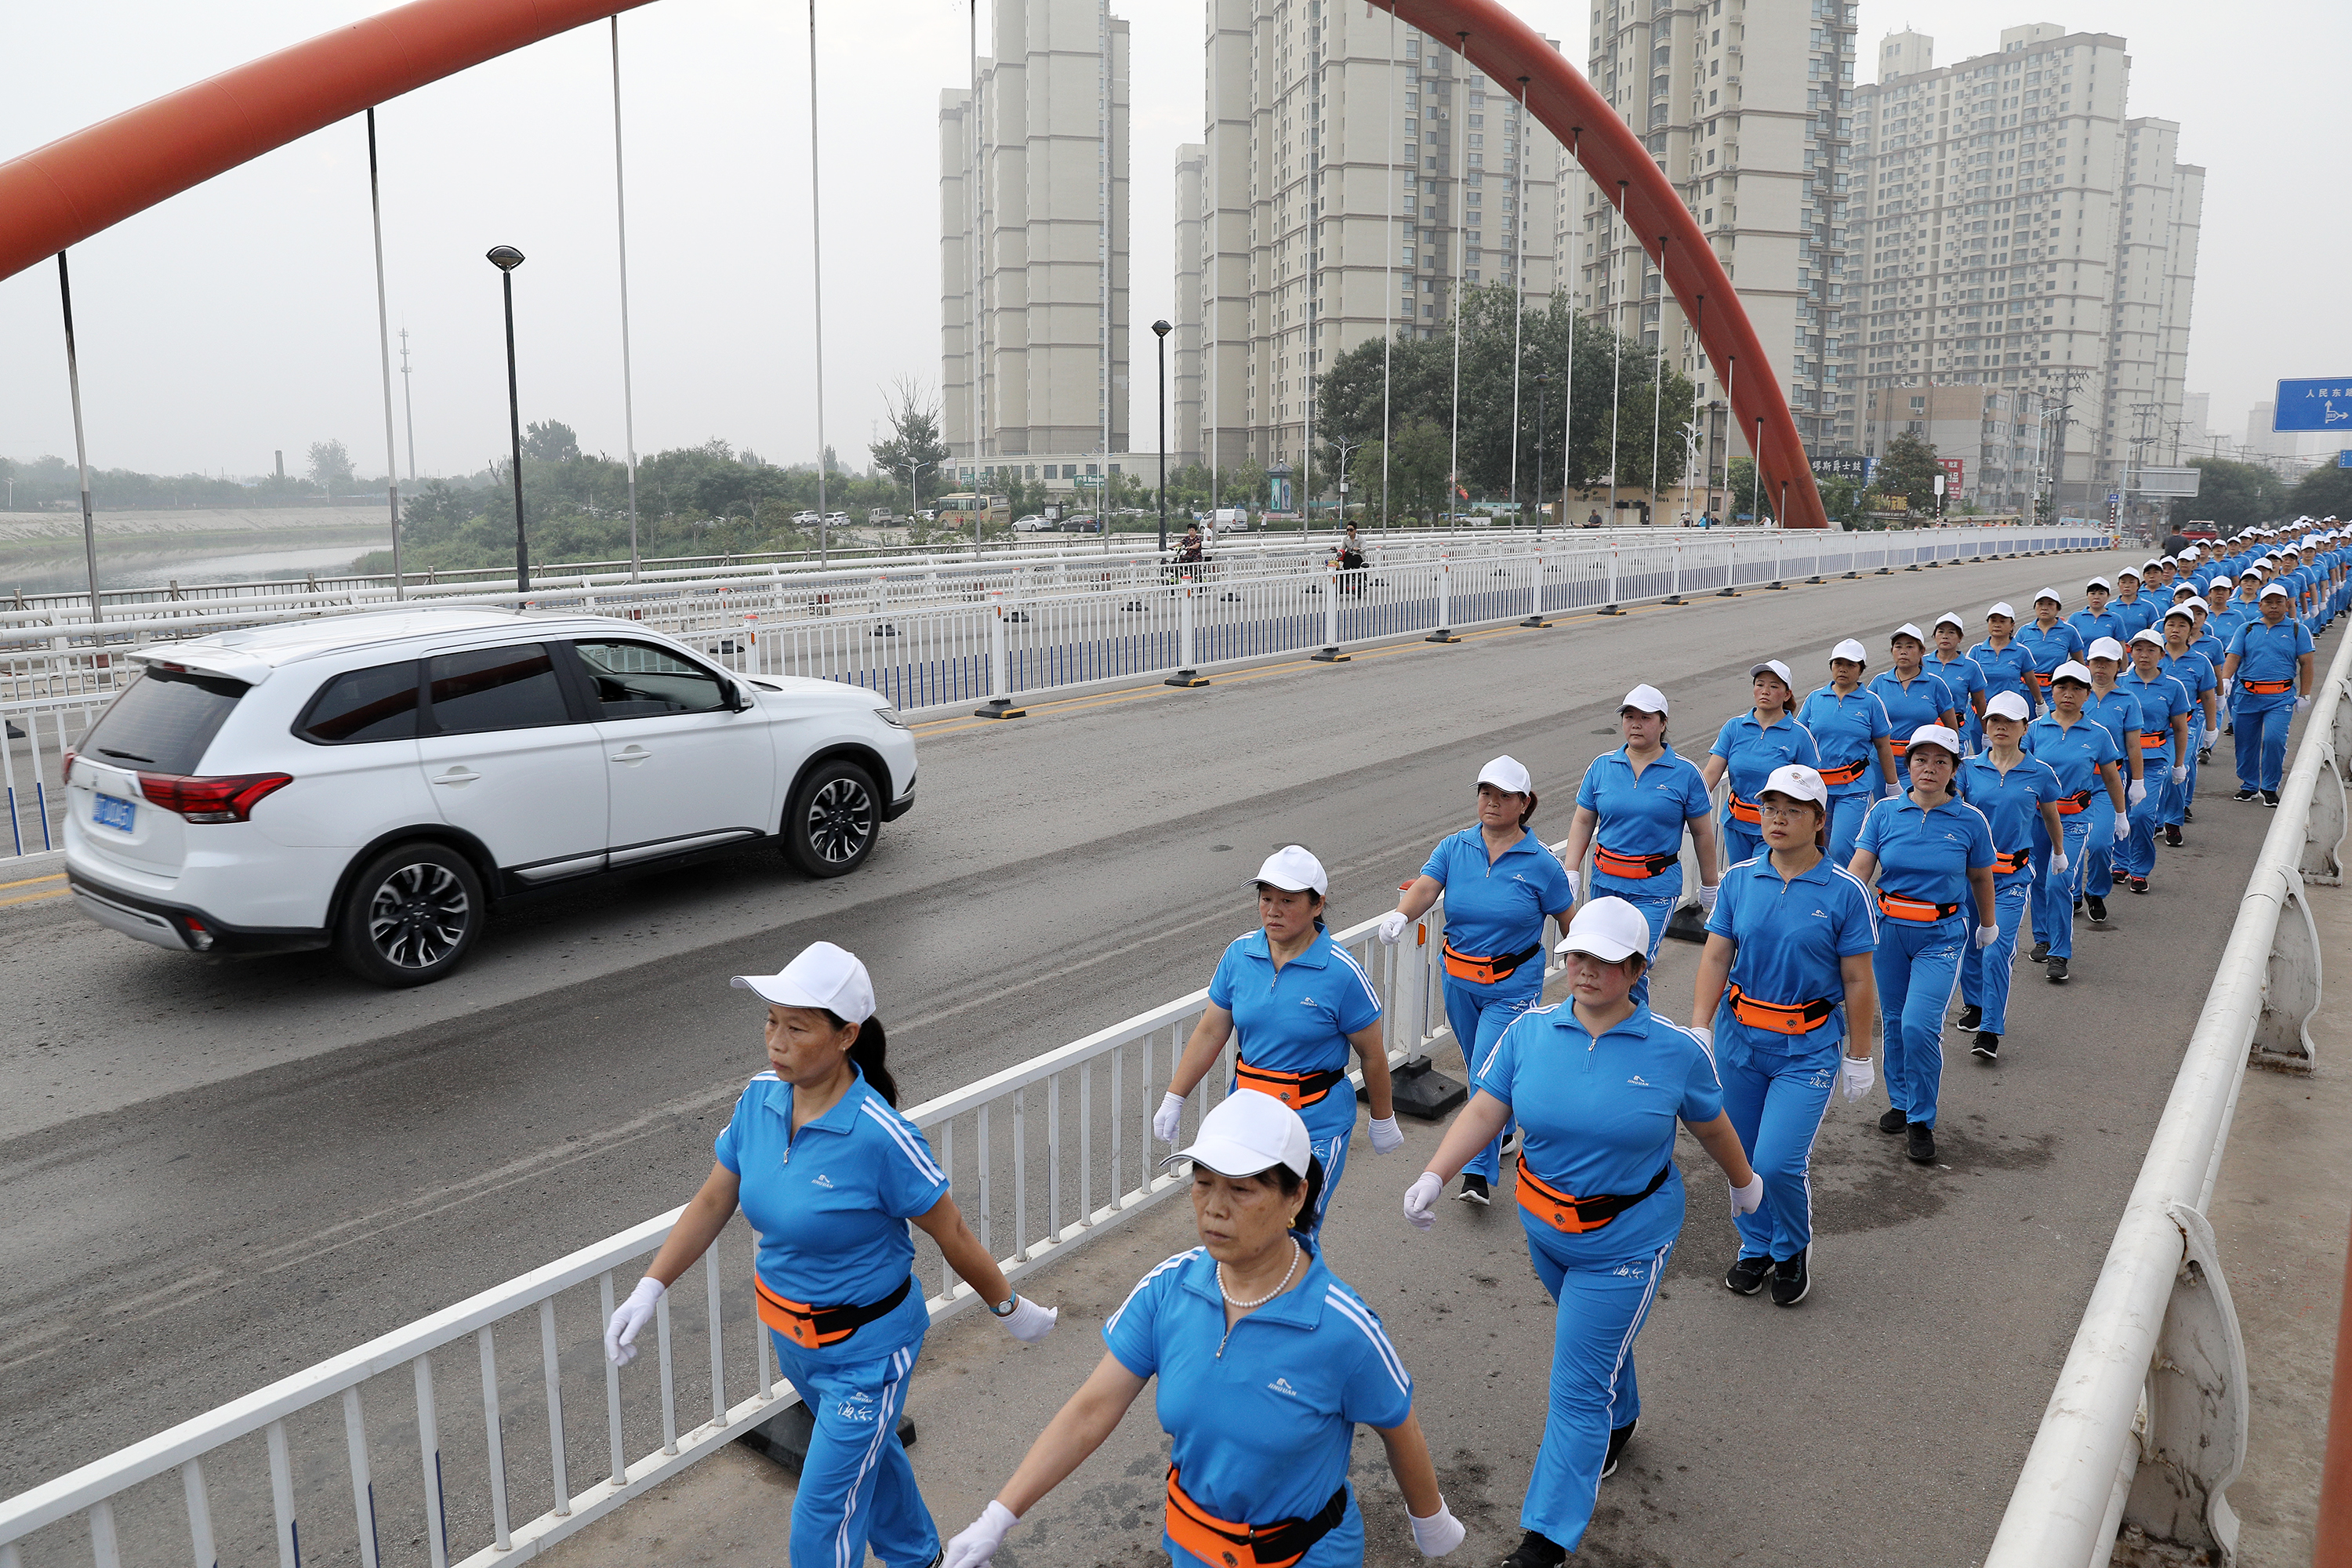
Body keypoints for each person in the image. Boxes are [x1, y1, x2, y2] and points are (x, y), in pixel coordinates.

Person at [604, 942, 1058, 1568]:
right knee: (871, 1458)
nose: (776, 1041)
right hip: (794, 1341)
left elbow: (951, 1232)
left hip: (868, 1354)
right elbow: (713, 1200)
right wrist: (650, 1286)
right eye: (771, 1022)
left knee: (823, 1517)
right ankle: (920, 1558)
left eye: (797, 1028)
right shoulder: (759, 1099)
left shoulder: (881, 1136)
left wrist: (1009, 1307)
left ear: (847, 1036)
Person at [942, 1091, 1462, 1568]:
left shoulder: (1343, 1327)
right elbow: (1091, 1410)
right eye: (1203, 1182)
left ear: (1296, 1197)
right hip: (1192, 1549)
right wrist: (999, 1516)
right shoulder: (1168, 1288)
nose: (1214, 1207)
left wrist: (1431, 1521)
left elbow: (1399, 1426)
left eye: (1241, 1189)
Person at [1401, 898, 1762, 1568]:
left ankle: (1546, 1539)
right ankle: (1622, 1416)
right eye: (1577, 956)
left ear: (1638, 969)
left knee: (1576, 1386)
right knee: (1593, 1346)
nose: (1586, 970)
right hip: (1546, 1230)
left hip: (1627, 1241)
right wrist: (1435, 1173)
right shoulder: (1528, 1033)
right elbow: (1486, 1110)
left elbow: (1712, 1126)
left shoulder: (1675, 1052)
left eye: (1605, 960)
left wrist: (1744, 1183)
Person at [1687, 764, 1878, 1304]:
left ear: (1819, 821)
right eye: (1770, 808)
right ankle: (1756, 1245)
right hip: (1740, 1041)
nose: (1777, 818)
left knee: (1776, 1162)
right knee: (1741, 1158)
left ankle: (1792, 1245)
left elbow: (1858, 979)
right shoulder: (1741, 879)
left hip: (1807, 1047)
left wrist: (1860, 1055)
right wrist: (1700, 1025)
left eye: (1793, 810)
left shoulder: (1845, 892)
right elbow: (1717, 956)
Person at [1160, 848, 1400, 1232]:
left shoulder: (1342, 972)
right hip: (1249, 1119)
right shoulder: (1239, 955)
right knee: (1243, 1228)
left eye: (1287, 901)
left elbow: (1371, 1054)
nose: (1273, 911)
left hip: (1314, 1126)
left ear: (1317, 905)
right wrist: (1175, 1097)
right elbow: (1211, 1030)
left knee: (1293, 1233)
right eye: (1266, 898)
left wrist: (1382, 1118)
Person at [1381, 757, 1577, 1206]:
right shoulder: (1455, 846)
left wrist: (1585, 976)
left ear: (1524, 803)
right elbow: (1426, 887)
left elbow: (1570, 921)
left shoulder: (1541, 863)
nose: (1492, 801)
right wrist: (1401, 915)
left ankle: (1475, 1172)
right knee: (1481, 1067)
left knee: (1485, 1075)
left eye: (1504, 795)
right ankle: (1502, 1128)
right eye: (1485, 792)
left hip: (1512, 988)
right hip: (1459, 980)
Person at [1844, 725, 1998, 1164]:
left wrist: (1988, 925)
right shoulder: (1884, 812)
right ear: (1908, 764)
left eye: (1940, 761)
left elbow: (1980, 876)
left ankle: (1922, 1119)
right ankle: (1901, 1101)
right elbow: (1860, 870)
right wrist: (1836, 916)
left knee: (1918, 1025)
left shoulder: (1970, 820)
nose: (1929, 769)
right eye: (1920, 760)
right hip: (1889, 931)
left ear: (1954, 770)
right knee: (1894, 1020)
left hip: (1942, 934)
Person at [1557, 685, 1720, 1004]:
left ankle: (1633, 1027)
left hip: (1654, 889)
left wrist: (1710, 885)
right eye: (1629, 716)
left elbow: (1702, 833)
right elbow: (1583, 821)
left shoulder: (1686, 773)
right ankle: (1602, 1023)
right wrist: (1571, 869)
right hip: (1606, 883)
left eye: (1645, 718)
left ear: (1663, 723)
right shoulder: (1602, 766)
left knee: (1633, 966)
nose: (1635, 724)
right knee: (1601, 960)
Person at [1954, 695, 2066, 1059]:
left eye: (2010, 721)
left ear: (2024, 728)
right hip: (1970, 875)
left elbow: (2050, 816)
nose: (2001, 727)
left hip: (2011, 877)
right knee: (1970, 942)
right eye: (1994, 720)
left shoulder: (2040, 772)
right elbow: (1955, 814)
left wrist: (2059, 852)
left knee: (1997, 948)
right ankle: (1975, 1004)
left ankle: (1990, 1031)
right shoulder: (1967, 769)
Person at [1700, 659, 1822, 867]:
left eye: (1774, 686)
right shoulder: (1734, 727)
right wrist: (1692, 808)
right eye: (1760, 684)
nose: (1765, 691)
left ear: (1787, 695)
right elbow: (1711, 774)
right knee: (1740, 875)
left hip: (1777, 827)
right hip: (1736, 824)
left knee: (1761, 875)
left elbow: (1811, 787)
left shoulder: (1800, 735)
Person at [1796, 639, 1900, 868]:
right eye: (1838, 663)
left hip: (1854, 787)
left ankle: (1844, 888)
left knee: (1841, 847)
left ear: (1860, 669)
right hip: (1817, 788)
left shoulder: (1871, 702)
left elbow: (1883, 747)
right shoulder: (1815, 699)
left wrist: (1892, 785)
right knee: (1816, 846)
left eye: (1850, 665)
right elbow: (1798, 739)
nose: (1843, 669)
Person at [2221, 581, 2319, 806]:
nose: (2274, 606)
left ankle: (2270, 786)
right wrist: (2226, 679)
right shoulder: (2247, 629)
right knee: (2246, 743)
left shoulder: (2297, 630)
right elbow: (2233, 657)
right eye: (2269, 602)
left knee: (2274, 739)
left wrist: (2305, 695)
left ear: (2287, 605)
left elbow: (2307, 664)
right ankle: (2249, 785)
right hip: (2247, 694)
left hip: (2280, 696)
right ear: (2260, 605)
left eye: (2278, 602)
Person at [2078, 638, 2151, 922]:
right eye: (2096, 662)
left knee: (2100, 843)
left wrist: (2137, 781)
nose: (2101, 668)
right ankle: (2072, 892)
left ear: (2118, 665)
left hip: (2107, 783)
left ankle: (2095, 892)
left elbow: (2133, 745)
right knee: (2072, 843)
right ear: (2088, 663)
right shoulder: (2076, 694)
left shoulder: (2127, 700)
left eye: (2107, 663)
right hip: (2073, 781)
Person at [2116, 630, 2191, 894]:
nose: (2144, 655)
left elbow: (2180, 728)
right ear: (2130, 652)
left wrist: (2178, 764)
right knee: (2120, 813)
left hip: (2154, 758)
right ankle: (2120, 863)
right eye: (2138, 649)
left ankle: (2139, 869)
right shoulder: (2119, 683)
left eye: (2151, 650)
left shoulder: (2173, 686)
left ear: (2162, 654)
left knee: (2142, 815)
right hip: (2120, 759)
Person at [1867, 624, 1962, 793]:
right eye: (1898, 647)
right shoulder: (1879, 683)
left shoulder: (1935, 684)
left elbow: (1951, 728)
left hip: (1919, 761)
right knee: (1884, 805)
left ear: (1921, 651)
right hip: (1881, 761)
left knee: (1912, 804)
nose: (1903, 652)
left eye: (1910, 647)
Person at [2158, 605, 2219, 842]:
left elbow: (2208, 696)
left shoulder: (2200, 661)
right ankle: (2156, 820)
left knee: (2175, 770)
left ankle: (2173, 820)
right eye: (2171, 625)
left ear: (2191, 629)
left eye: (2182, 625)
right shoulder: (2152, 655)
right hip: (2153, 727)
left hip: (2185, 726)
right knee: (2154, 774)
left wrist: (2211, 728)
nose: (2176, 630)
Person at [1927, 612, 1991, 752]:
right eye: (1941, 631)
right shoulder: (1922, 664)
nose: (1945, 636)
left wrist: (1987, 733)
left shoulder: (1971, 667)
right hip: (1925, 732)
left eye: (1951, 632)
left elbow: (1979, 702)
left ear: (1960, 638)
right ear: (1934, 636)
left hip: (1956, 733)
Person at [1971, 601, 2042, 718]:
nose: (1997, 625)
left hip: (2010, 713)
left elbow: (2030, 680)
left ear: (2012, 625)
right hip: (1979, 714)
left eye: (2002, 621)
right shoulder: (1976, 651)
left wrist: (2040, 703)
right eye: (1993, 621)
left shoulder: (2021, 652)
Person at [2018, 589, 2087, 705]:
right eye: (2040, 604)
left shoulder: (2069, 631)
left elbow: (2079, 663)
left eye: (2050, 604)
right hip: (2025, 690)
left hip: (2055, 691)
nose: (2044, 608)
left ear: (2058, 608)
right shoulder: (2024, 631)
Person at [2069, 577, 2126, 650]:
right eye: (2092, 593)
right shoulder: (2075, 617)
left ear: (2108, 596)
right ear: (2087, 595)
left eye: (2101, 594)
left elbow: (2121, 647)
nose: (2096, 597)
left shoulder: (2116, 619)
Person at [2109, 566, 2157, 641]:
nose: (2127, 586)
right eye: (2123, 582)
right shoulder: (2109, 607)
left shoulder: (2149, 606)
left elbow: (2154, 630)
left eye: (2131, 582)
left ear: (2138, 585)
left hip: (2139, 646)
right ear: (2118, 584)